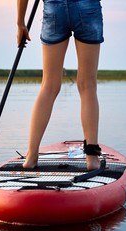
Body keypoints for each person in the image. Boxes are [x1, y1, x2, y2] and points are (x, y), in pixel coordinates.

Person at [17, 0, 104, 170]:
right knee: (88, 85)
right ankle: (92, 159)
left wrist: (20, 23)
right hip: (87, 7)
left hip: (55, 7)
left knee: (48, 86)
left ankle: (31, 156)